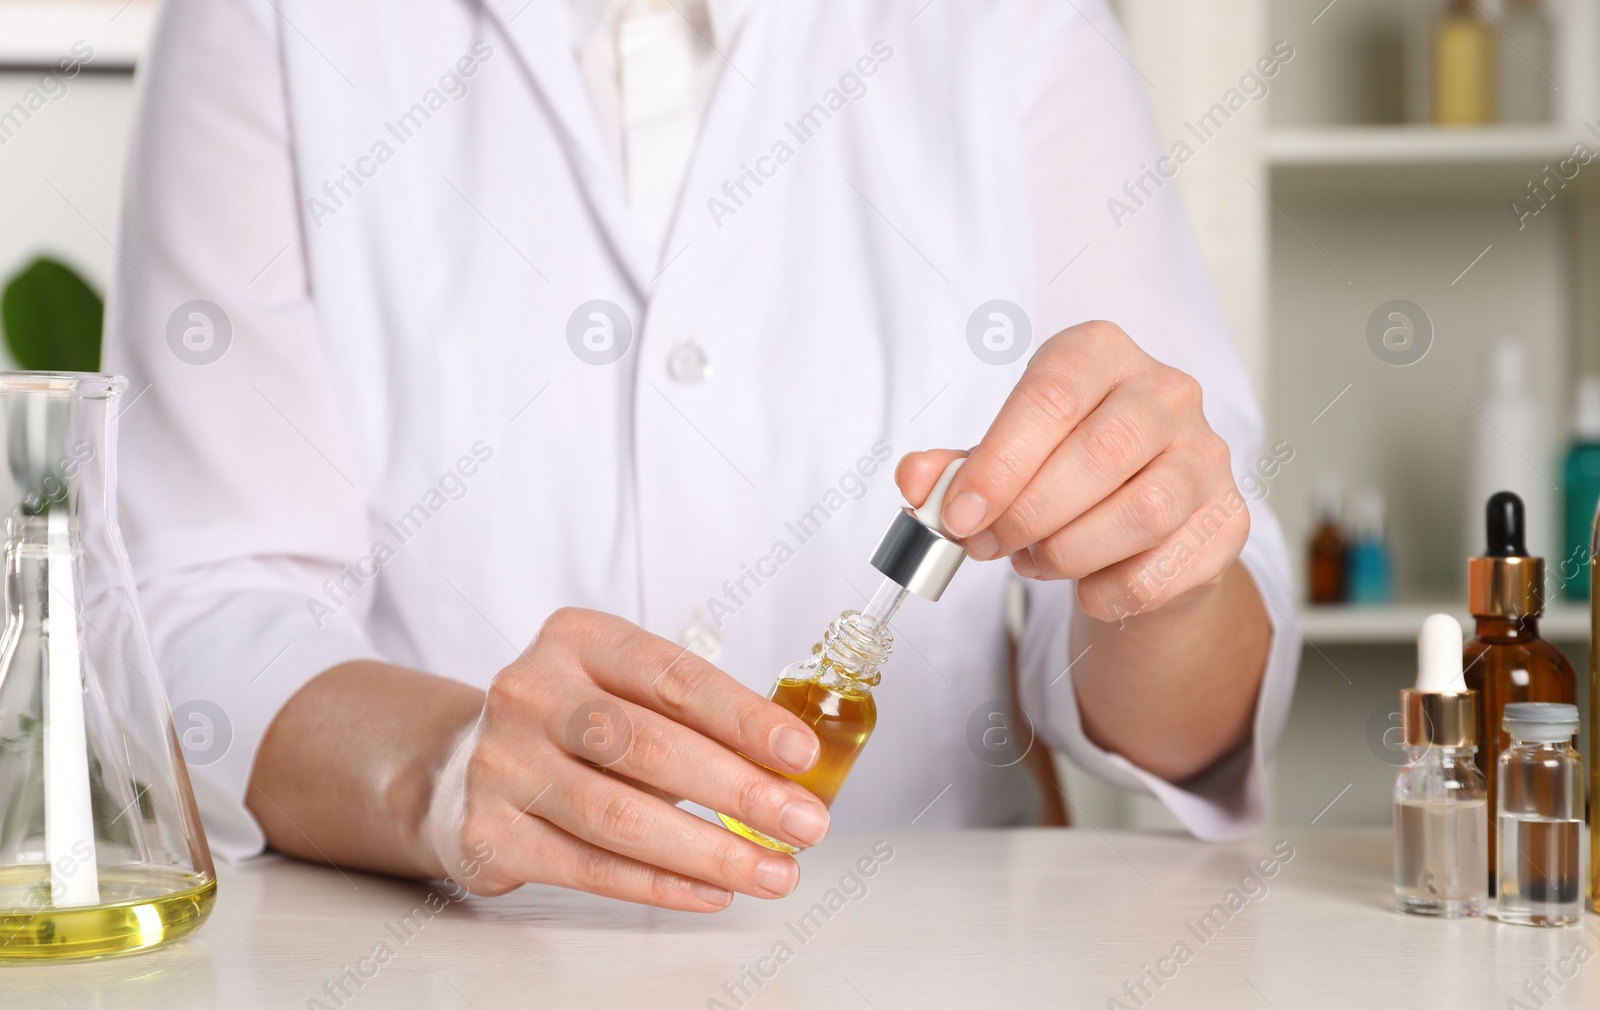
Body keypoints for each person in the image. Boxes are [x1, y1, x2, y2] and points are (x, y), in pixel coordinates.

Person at [106, 0, 1299, 911]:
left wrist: (1166, 573)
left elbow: (1182, 718)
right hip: (436, 971)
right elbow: (200, 600)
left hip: (922, 974)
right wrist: (442, 764)